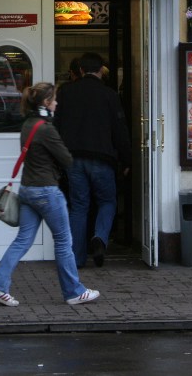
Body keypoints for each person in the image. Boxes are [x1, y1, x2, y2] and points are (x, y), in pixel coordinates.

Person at [0, 83, 100, 307]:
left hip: (27, 190)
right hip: (47, 191)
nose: (57, 103)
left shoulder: (28, 124)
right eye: (54, 99)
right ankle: (74, 291)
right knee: (63, 240)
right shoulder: (46, 129)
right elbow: (67, 159)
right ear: (46, 103)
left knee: (22, 241)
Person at [54, 52, 131, 268]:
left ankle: (77, 259)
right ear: (101, 71)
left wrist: (57, 157)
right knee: (107, 201)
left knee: (79, 207)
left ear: (80, 70)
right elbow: (120, 130)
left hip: (73, 159)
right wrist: (127, 160)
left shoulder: (66, 92)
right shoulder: (109, 95)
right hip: (102, 158)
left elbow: (56, 126)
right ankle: (100, 237)